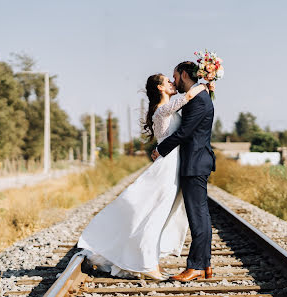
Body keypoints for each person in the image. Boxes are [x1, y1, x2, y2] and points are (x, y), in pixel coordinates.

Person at [77, 72, 208, 281]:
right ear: (160, 88)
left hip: (173, 166)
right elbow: (189, 98)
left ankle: (148, 261)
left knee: (160, 214)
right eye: (168, 81)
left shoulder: (168, 106)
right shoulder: (162, 109)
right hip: (166, 169)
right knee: (154, 215)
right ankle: (148, 265)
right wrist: (204, 85)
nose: (173, 83)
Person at [151, 61, 216, 282]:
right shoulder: (198, 96)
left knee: (197, 216)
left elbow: (186, 132)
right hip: (195, 161)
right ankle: (204, 264)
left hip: (195, 163)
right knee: (201, 215)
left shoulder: (198, 99)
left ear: (185, 75)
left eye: (175, 76)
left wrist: (160, 149)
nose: (174, 80)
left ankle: (196, 266)